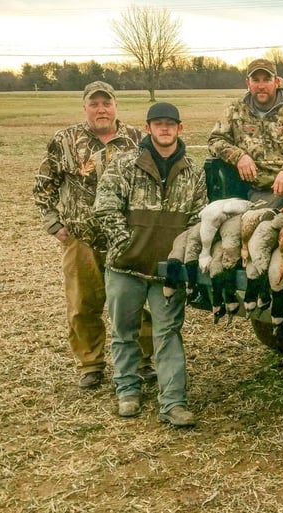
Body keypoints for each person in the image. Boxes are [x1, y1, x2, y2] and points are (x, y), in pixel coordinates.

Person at [33, 80, 155, 390]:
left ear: (115, 106)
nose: (101, 109)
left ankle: (142, 360)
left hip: (125, 238)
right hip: (80, 236)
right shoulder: (64, 140)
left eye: (106, 103)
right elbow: (44, 185)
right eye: (94, 104)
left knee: (132, 301)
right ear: (85, 107)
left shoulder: (138, 140)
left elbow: (152, 183)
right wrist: (54, 223)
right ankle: (90, 364)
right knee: (82, 304)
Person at [93, 102, 207, 427]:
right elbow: (105, 207)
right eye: (158, 123)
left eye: (171, 123)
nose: (165, 128)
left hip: (165, 273)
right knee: (124, 332)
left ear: (180, 128)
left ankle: (173, 403)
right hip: (125, 267)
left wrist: (181, 259)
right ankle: (127, 391)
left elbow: (200, 219)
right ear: (148, 128)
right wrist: (124, 245)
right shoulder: (126, 165)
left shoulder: (193, 171)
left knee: (168, 334)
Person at [208, 58, 283, 218]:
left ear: (276, 82)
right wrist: (239, 156)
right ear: (248, 83)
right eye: (255, 80)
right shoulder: (235, 111)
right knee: (260, 222)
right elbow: (215, 141)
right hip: (261, 189)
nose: (261, 85)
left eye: (267, 79)